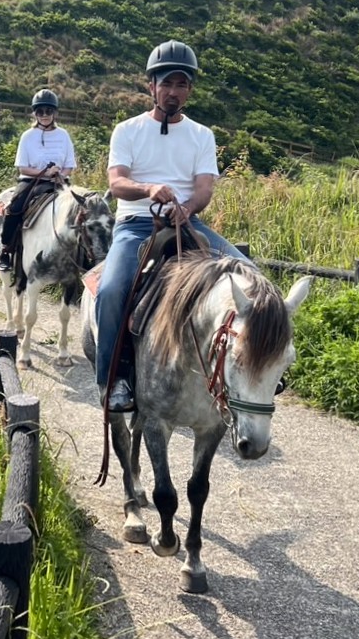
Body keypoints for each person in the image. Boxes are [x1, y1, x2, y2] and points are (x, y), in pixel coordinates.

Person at [94, 41, 252, 412]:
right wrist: (148, 188)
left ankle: (253, 366)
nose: (173, 92)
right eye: (166, 84)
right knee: (112, 290)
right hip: (135, 223)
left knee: (251, 276)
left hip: (187, 222)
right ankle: (112, 379)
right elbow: (117, 183)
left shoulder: (201, 135)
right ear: (151, 86)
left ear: (189, 90)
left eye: (181, 85)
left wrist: (187, 208)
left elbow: (204, 189)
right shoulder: (127, 130)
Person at [0, 89, 77, 272]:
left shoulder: (63, 135)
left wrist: (60, 176)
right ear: (35, 113)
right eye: (40, 111)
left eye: (49, 111)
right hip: (32, 181)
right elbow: (23, 167)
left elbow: (70, 164)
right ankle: (6, 251)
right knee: (15, 207)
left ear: (55, 113)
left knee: (81, 210)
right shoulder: (27, 136)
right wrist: (46, 173)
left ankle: (80, 257)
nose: (45, 115)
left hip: (60, 183)